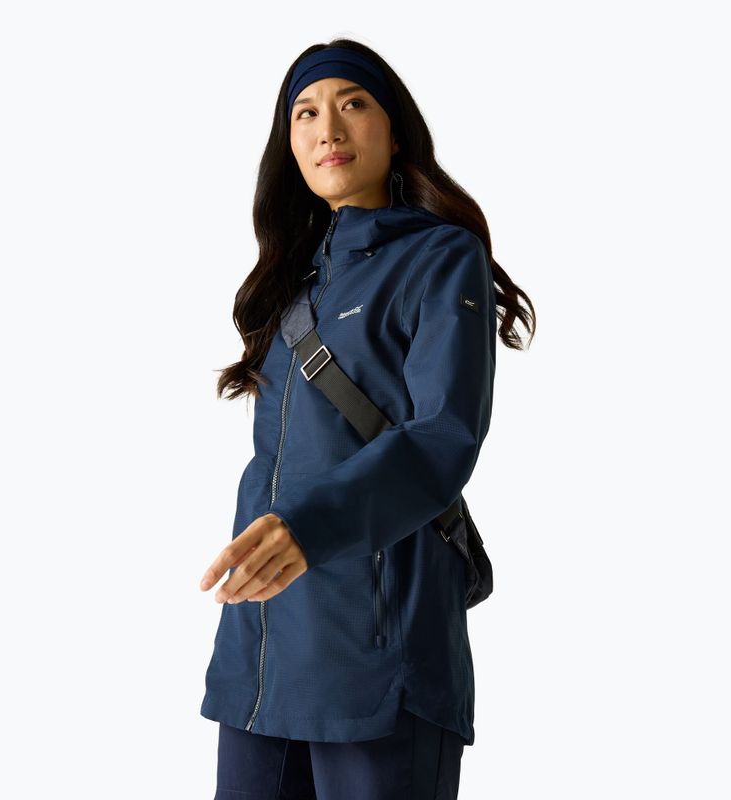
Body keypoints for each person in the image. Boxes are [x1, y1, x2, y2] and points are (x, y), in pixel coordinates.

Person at [198, 39, 536, 800]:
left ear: (395, 131)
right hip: (259, 651)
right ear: (289, 145)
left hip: (380, 649)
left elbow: (441, 438)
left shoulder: (440, 258)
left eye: (353, 104)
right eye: (306, 114)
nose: (329, 129)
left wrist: (307, 528)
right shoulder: (290, 285)